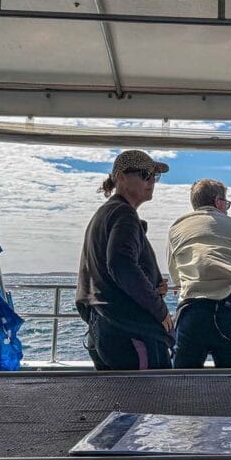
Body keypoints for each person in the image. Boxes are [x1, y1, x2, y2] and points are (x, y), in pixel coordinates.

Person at [76, 150, 173, 370]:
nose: (151, 181)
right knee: (151, 392)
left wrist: (153, 282)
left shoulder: (105, 213)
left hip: (104, 327)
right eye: (145, 174)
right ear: (121, 177)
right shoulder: (124, 214)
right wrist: (159, 309)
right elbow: (121, 265)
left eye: (155, 176)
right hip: (129, 331)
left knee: (118, 392)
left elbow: (104, 272)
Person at [167, 179, 231, 368]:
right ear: (218, 201)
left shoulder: (177, 228)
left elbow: (175, 272)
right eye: (227, 203)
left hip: (192, 312)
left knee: (183, 380)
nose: (227, 209)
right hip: (230, 312)